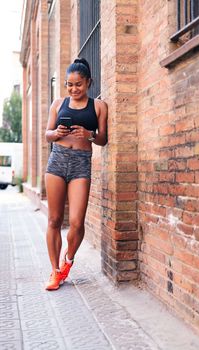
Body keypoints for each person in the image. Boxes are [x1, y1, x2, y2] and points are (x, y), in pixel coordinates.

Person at [44, 57, 108, 290]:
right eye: (69, 85)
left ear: (88, 82)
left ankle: (68, 259)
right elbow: (47, 134)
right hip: (58, 161)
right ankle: (55, 272)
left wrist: (89, 134)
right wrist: (56, 132)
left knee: (76, 222)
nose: (73, 89)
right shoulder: (58, 104)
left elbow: (103, 139)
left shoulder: (99, 106)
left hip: (81, 163)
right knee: (54, 219)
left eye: (78, 84)